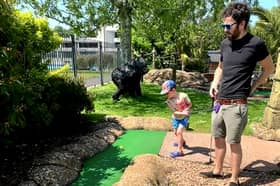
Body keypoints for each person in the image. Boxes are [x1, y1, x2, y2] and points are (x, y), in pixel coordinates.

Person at [200, 2, 275, 186]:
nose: (225, 29)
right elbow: (220, 68)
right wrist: (214, 83)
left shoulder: (256, 44)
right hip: (220, 101)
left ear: (241, 24)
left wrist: (255, 85)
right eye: (223, 25)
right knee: (218, 139)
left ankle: (234, 179)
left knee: (234, 142)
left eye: (228, 25)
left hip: (237, 104)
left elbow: (269, 68)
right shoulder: (225, 43)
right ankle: (217, 170)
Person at [160, 80, 192, 158]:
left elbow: (189, 104)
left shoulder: (184, 96)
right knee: (175, 132)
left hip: (184, 118)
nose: (166, 95)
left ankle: (180, 151)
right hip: (175, 118)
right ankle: (182, 141)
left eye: (167, 93)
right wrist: (183, 113)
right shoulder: (168, 101)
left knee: (179, 132)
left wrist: (187, 110)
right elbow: (174, 112)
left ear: (173, 90)